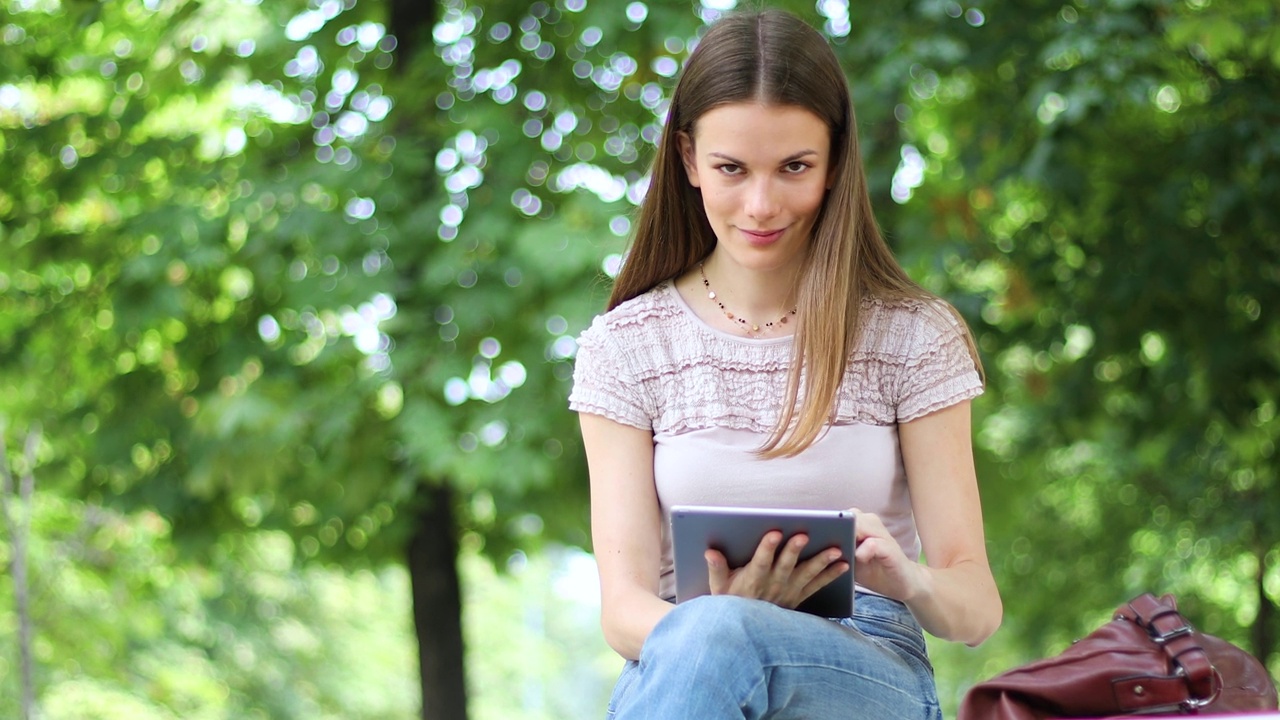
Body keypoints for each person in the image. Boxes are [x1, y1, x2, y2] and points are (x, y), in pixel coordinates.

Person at [568, 8, 1001, 719]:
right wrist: (723, 624)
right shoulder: (626, 346)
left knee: (713, 635)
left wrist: (909, 580)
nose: (761, 205)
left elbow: (976, 609)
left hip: (868, 660)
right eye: (731, 169)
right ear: (687, 161)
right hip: (685, 661)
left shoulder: (913, 336)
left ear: (834, 161)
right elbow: (623, 611)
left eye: (794, 167)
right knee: (710, 635)